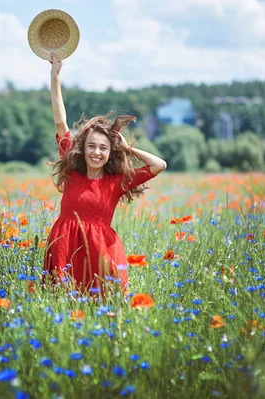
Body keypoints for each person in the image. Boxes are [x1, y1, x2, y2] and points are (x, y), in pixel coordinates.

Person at [43, 53, 167, 297]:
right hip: (65, 247)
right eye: (91, 146)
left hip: (101, 253)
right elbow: (60, 122)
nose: (96, 153)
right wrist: (55, 76)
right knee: (62, 302)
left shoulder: (117, 181)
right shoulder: (72, 169)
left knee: (101, 305)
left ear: (111, 153)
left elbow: (159, 164)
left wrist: (127, 148)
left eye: (103, 148)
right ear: (83, 148)